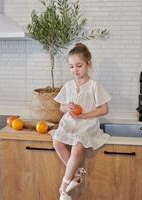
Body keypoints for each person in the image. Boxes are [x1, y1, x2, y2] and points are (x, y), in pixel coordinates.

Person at [49, 43, 112, 200]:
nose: (75, 70)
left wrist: (85, 116)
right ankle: (76, 173)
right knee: (57, 142)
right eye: (71, 66)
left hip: (87, 124)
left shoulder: (94, 86)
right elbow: (61, 107)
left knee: (78, 146)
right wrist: (67, 107)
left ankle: (64, 186)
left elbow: (104, 110)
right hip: (69, 122)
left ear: (88, 64)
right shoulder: (68, 86)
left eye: (79, 65)